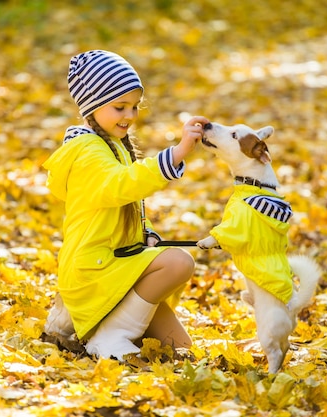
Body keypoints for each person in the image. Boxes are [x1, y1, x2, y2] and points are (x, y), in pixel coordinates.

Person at [42, 50, 209, 360]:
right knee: (178, 263)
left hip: (115, 265)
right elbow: (122, 185)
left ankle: (110, 330)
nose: (130, 116)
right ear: (92, 107)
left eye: (134, 107)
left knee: (179, 349)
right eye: (120, 107)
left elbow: (121, 207)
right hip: (94, 271)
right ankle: (108, 336)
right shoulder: (87, 151)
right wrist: (178, 152)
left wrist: (145, 234)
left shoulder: (113, 145)